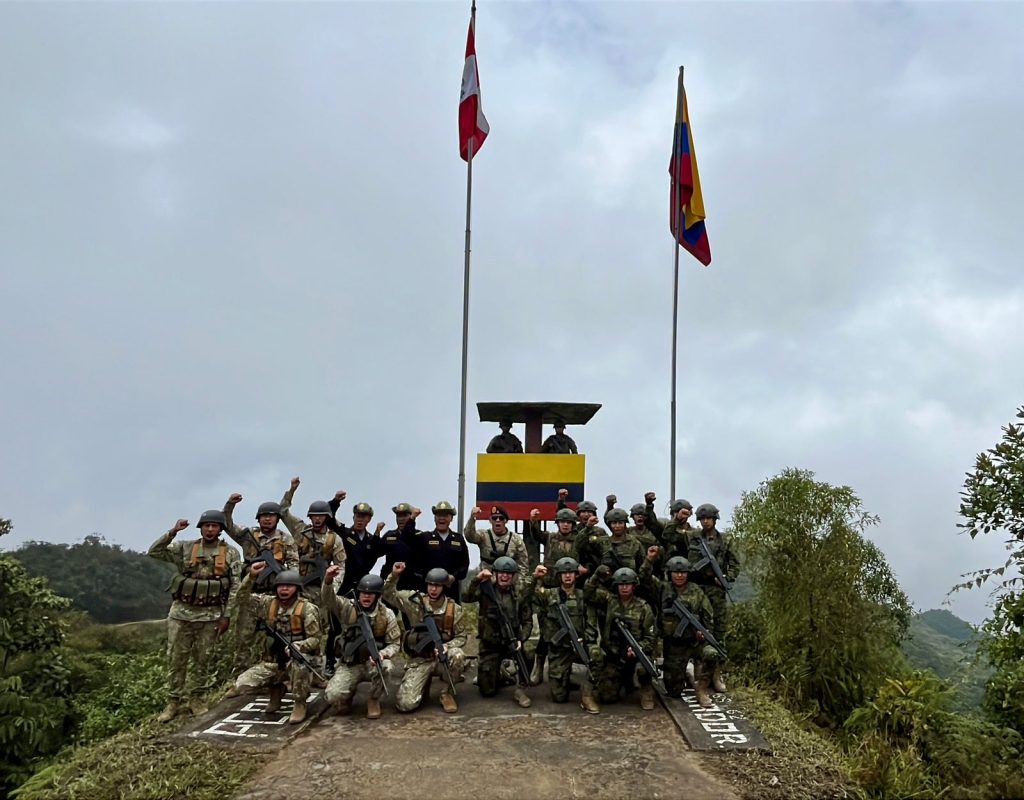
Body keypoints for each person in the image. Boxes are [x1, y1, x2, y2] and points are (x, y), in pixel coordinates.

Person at [148, 511, 242, 722]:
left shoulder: (231, 553)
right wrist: (172, 532)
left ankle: (197, 698)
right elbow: (154, 552)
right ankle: (173, 702)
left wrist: (226, 615)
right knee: (176, 659)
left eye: (214, 526)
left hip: (210, 615)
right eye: (206, 526)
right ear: (200, 527)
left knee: (203, 659)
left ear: (220, 529)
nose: (210, 530)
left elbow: (235, 586)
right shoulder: (185, 547)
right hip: (181, 613)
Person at [226, 563, 322, 724]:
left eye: (289, 587)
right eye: (281, 586)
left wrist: (301, 645)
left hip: (298, 658)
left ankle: (299, 703)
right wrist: (251, 577)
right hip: (274, 660)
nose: (284, 590)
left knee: (301, 667)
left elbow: (316, 638)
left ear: (297, 589)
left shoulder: (308, 609)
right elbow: (241, 598)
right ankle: (276, 690)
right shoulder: (267, 603)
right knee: (243, 684)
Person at [222, 492, 299, 672]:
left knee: (279, 636)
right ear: (258, 519)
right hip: (251, 593)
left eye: (271, 516)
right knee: (244, 637)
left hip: (276, 596)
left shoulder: (286, 540)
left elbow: (294, 565)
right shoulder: (248, 536)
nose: (267, 520)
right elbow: (227, 524)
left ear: (277, 519)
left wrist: (289, 585)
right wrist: (230, 505)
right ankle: (241, 675)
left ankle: (279, 672)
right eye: (264, 516)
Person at [383, 563, 468, 714]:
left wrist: (448, 646)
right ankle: (423, 683)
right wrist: (395, 575)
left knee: (458, 655)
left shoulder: (454, 609)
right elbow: (388, 594)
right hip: (420, 658)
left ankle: (445, 692)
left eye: (437, 586)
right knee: (405, 704)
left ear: (444, 587)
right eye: (430, 585)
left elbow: (461, 637)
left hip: (442, 657)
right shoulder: (414, 601)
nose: (433, 589)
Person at [640, 551, 718, 707]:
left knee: (712, 654)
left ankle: (701, 689)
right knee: (674, 691)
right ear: (670, 573)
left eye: (683, 572)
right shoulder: (663, 588)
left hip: (695, 642)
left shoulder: (696, 591)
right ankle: (685, 675)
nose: (679, 576)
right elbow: (644, 577)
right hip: (674, 645)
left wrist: (705, 632)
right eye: (676, 572)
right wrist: (649, 559)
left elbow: (708, 615)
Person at [522, 558, 600, 713]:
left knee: (598, 656)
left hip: (579, 644)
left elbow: (591, 622)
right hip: (559, 649)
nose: (567, 576)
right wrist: (535, 577)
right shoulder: (549, 595)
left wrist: (588, 641)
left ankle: (587, 693)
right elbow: (526, 596)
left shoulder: (583, 596)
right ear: (559, 576)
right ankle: (565, 676)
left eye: (570, 572)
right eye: (564, 573)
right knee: (558, 697)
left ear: (576, 575)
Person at [321, 566, 400, 719]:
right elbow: (328, 599)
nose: (366, 596)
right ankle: (346, 697)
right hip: (349, 664)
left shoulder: (386, 614)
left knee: (386, 667)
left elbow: (395, 643)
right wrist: (328, 580)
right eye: (363, 592)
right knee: (332, 696)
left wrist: (383, 653)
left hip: (372, 663)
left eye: (370, 594)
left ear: (377, 596)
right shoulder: (347, 607)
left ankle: (373, 699)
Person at [463, 557, 533, 708]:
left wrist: (522, 639)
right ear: (495, 573)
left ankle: (521, 689)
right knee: (487, 692)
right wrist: (477, 579)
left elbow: (527, 621)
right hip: (490, 645)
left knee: (528, 652)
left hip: (512, 642)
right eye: (501, 573)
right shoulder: (485, 590)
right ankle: (500, 673)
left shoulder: (519, 594)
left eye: (508, 574)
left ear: (514, 576)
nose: (504, 576)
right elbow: (465, 597)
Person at [587, 567, 658, 710]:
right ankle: (624, 681)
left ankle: (646, 690)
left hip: (636, 654)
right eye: (621, 584)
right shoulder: (609, 600)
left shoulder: (644, 607)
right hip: (614, 655)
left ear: (634, 586)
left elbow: (651, 637)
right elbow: (588, 594)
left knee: (644, 669)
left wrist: (639, 649)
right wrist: (596, 576)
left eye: (628, 584)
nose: (624, 587)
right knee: (606, 696)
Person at [687, 503, 740, 693]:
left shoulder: (725, 540)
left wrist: (726, 578)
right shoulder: (693, 538)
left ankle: (716, 673)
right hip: (697, 589)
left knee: (718, 630)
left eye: (708, 518)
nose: (705, 521)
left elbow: (734, 563)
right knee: (697, 628)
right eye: (702, 519)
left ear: (715, 519)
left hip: (716, 591)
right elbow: (689, 562)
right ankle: (697, 671)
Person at [278, 477, 347, 602]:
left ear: (327, 517)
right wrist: (292, 490)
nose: (317, 519)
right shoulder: (301, 530)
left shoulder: (335, 540)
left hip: (319, 589)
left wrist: (329, 588)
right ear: (310, 517)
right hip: (297, 587)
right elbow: (282, 511)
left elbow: (340, 567)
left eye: (321, 516)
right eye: (314, 516)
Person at [412, 501, 470, 601]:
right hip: (429, 591)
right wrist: (412, 518)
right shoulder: (425, 538)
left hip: (451, 591)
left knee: (451, 615)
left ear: (451, 518)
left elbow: (464, 564)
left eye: (445, 515)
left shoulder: (458, 539)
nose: (441, 518)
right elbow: (415, 562)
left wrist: (454, 576)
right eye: (439, 515)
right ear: (434, 518)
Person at [335, 502, 386, 597]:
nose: (359, 520)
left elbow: (373, 556)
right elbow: (330, 520)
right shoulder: (344, 533)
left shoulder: (372, 539)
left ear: (369, 520)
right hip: (343, 581)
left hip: (362, 585)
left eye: (363, 517)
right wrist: (336, 501)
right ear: (353, 517)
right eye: (358, 516)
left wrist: (377, 534)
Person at [463, 505, 529, 578]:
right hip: (487, 580)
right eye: (494, 518)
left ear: (506, 520)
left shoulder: (516, 540)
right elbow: (470, 537)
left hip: (508, 580)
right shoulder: (484, 536)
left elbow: (523, 565)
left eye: (501, 518)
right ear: (490, 520)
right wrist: (472, 519)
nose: (497, 520)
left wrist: (519, 583)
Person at [379, 503, 423, 590]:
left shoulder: (419, 536)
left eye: (405, 515)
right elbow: (375, 552)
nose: (401, 519)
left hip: (412, 584)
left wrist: (411, 520)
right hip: (392, 583)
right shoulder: (389, 535)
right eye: (399, 516)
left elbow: (407, 537)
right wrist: (376, 535)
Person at [599, 508, 644, 573]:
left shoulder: (634, 543)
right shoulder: (602, 542)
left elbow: (642, 566)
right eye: (614, 523)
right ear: (610, 525)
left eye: (620, 523)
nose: (617, 526)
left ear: (625, 524)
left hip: (630, 581)